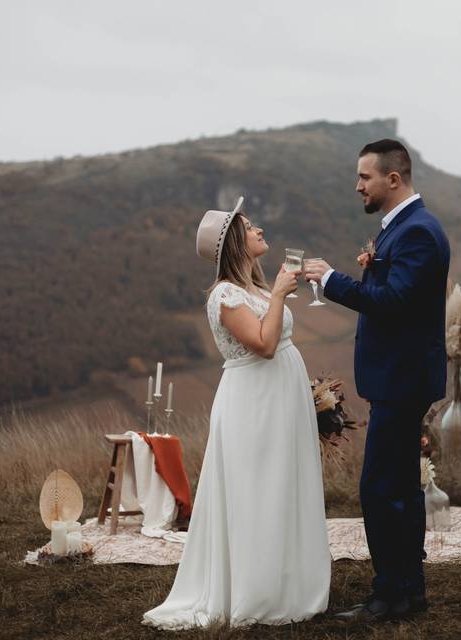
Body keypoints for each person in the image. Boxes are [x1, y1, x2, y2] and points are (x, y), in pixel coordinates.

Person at [143, 196, 331, 630]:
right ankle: (257, 589)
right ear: (233, 244)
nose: (260, 229)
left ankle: (288, 580)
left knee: (284, 485)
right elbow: (263, 346)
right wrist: (283, 294)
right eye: (250, 227)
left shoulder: (258, 290)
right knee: (257, 490)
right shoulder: (225, 295)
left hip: (280, 399)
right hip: (253, 405)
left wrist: (277, 293)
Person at [304, 139, 450, 623]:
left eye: (365, 177)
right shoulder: (403, 229)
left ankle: (387, 598)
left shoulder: (418, 233)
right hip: (398, 379)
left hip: (401, 382)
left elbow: (394, 302)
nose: (358, 185)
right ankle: (408, 592)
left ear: (394, 178)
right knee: (400, 488)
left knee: (380, 489)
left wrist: (333, 281)